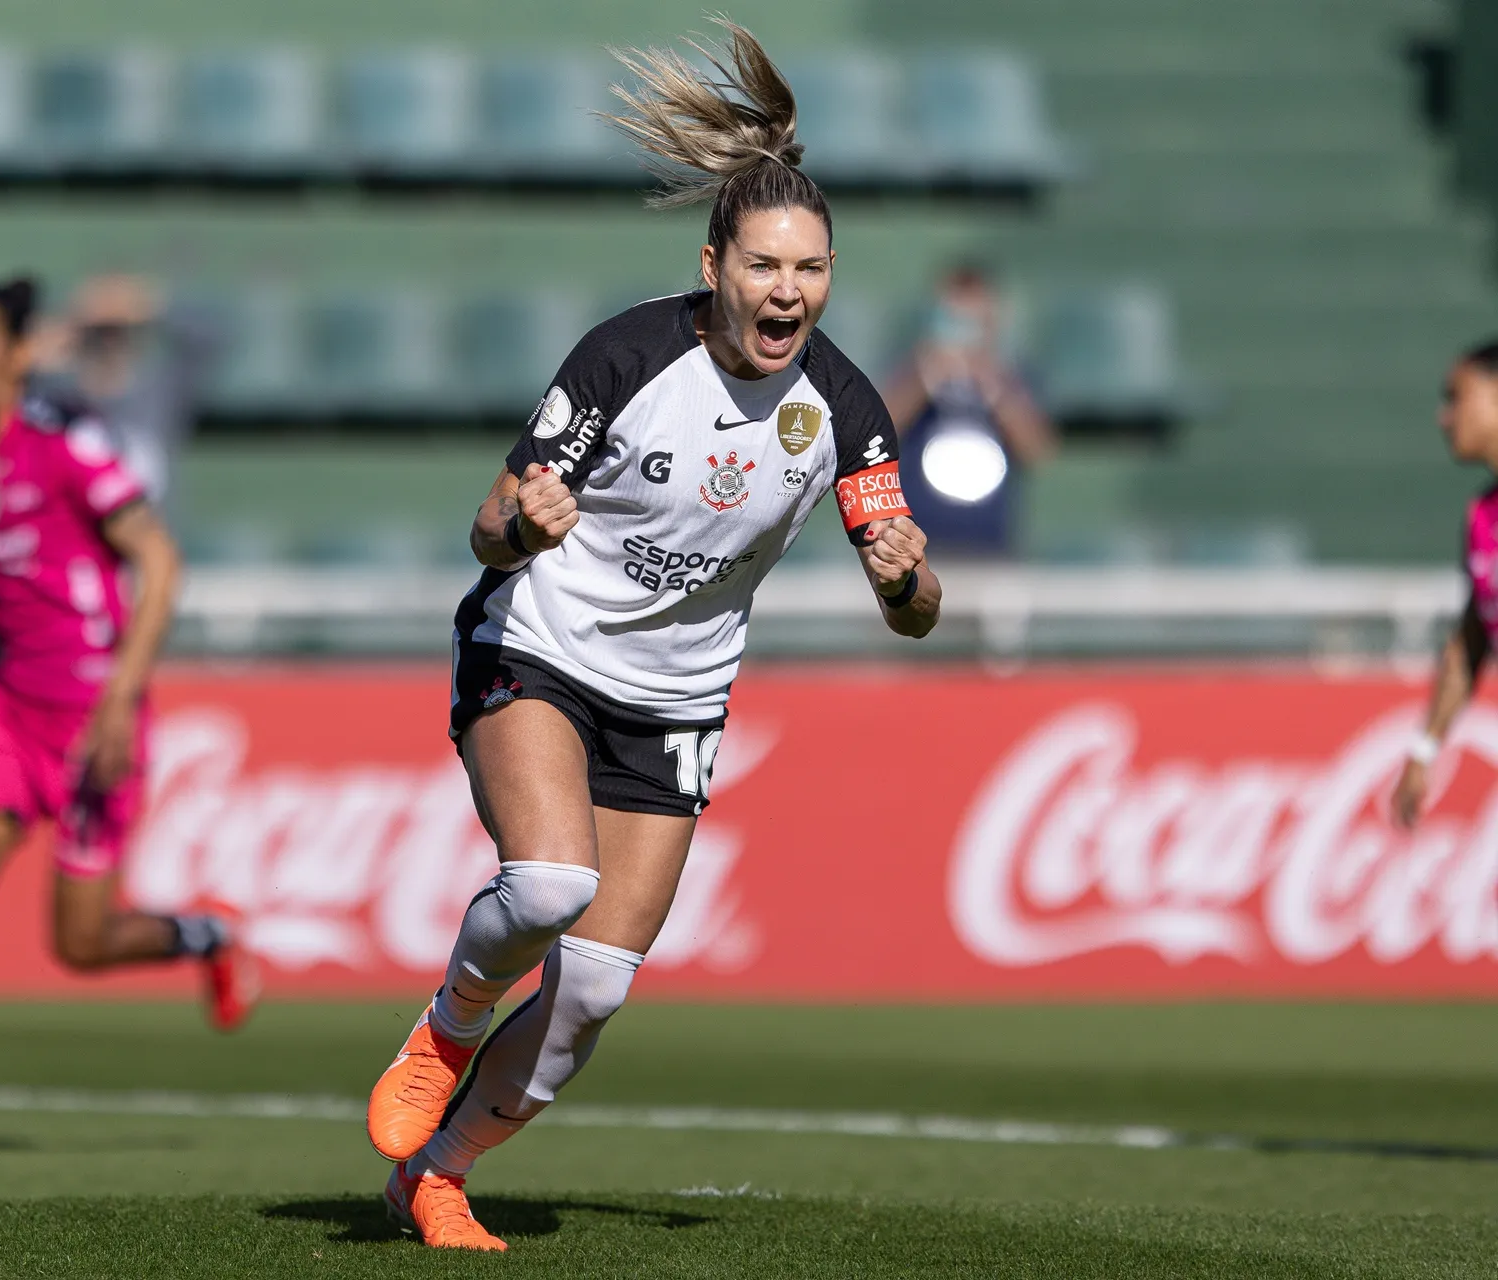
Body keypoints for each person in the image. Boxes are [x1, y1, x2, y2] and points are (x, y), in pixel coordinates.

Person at [362, 21, 941, 1252]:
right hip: (543, 649)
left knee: (597, 988)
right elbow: (488, 527)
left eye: (813, 270)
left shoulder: (840, 404)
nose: (790, 292)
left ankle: (439, 1174)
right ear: (714, 264)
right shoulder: (627, 355)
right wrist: (523, 521)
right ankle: (450, 1020)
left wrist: (905, 580)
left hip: (678, 697)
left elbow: (916, 610)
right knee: (553, 882)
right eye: (767, 266)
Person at [0, 277, 257, 1162]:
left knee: (80, 945)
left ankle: (209, 935)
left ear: (14, 356)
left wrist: (122, 696)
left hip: (95, 722)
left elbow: (158, 564)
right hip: (6, 713)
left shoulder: (69, 445)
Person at [1392, 339, 1498, 830]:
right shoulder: (1481, 518)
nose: (1444, 416)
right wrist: (1425, 749)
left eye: (1456, 397)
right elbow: (1470, 640)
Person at [881, 262, 1055, 555]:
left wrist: (993, 384)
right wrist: (926, 377)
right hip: (915, 545)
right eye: (954, 319)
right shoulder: (909, 371)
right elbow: (878, 433)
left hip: (991, 545)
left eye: (974, 321)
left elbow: (1036, 449)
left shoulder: (1013, 377)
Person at [28, 274, 217, 520]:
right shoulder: (57, 397)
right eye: (100, 332)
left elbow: (211, 339)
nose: (110, 342)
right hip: (82, 550)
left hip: (151, 547)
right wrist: (74, 317)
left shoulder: (161, 388)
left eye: (118, 331)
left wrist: (150, 306)